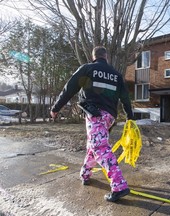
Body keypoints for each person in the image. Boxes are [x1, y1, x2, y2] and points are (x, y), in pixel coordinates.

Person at [50, 46, 133, 202]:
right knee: (93, 145)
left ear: (93, 56)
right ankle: (86, 174)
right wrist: (130, 117)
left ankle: (119, 186)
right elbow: (125, 98)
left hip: (95, 115)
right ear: (106, 57)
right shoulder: (116, 75)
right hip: (109, 117)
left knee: (99, 147)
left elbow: (69, 88)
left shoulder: (88, 69)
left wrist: (56, 108)